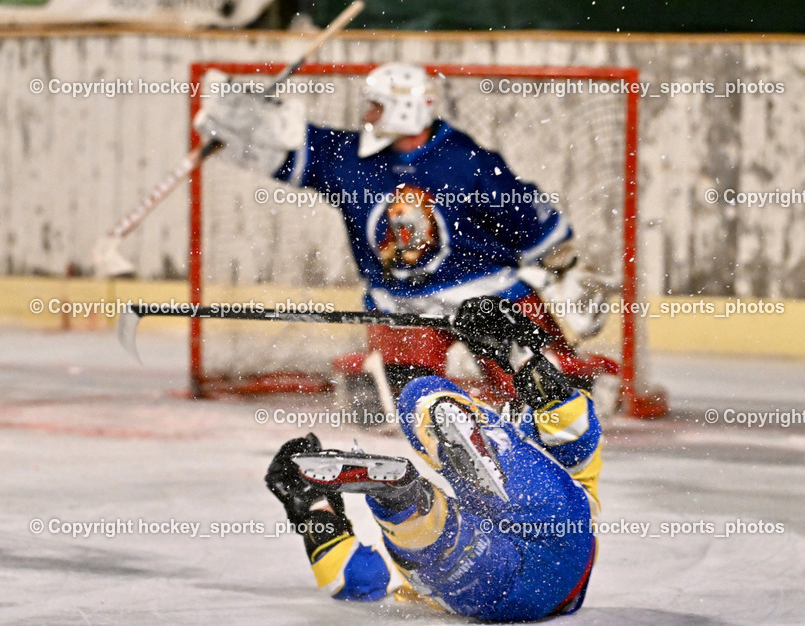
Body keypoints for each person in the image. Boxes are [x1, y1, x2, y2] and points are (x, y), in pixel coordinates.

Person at [194, 62, 618, 408]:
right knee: (419, 409)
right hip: (400, 303)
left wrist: (563, 270)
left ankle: (567, 398)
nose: (367, 116)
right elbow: (283, 149)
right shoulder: (349, 158)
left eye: (376, 106)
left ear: (403, 109)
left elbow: (538, 231)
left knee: (545, 398)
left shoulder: (467, 162)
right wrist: (238, 125)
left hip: (487, 293)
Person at [264, 296, 603, 620]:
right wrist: (520, 351)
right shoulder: (537, 454)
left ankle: (405, 500)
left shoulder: (418, 578)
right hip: (561, 558)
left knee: (429, 545)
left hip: (493, 589)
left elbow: (356, 581)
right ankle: (431, 445)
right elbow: (578, 440)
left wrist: (311, 508)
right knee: (421, 396)